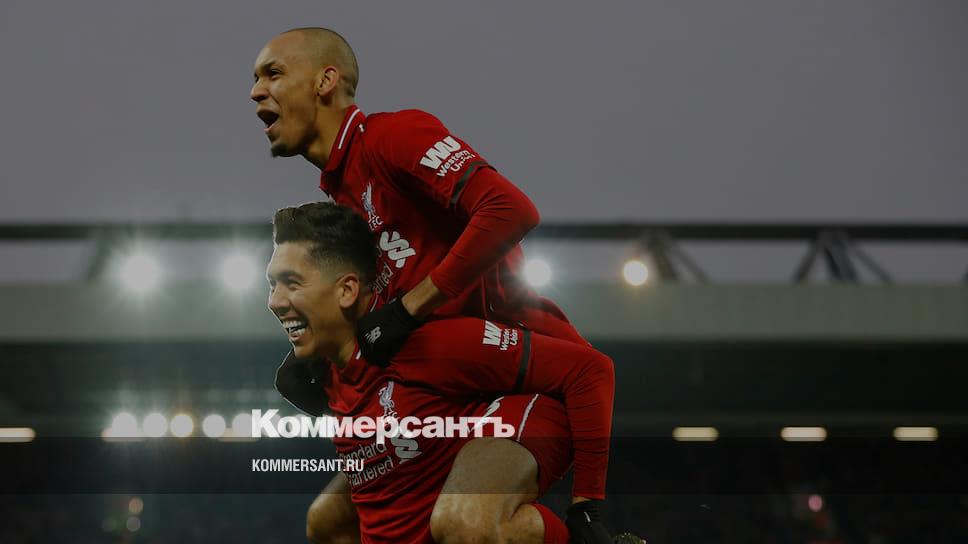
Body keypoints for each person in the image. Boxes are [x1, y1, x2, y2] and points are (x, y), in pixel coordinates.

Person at [249, 28, 616, 542]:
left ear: (325, 81)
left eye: (273, 73)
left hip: (520, 380)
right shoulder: (343, 194)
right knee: (329, 523)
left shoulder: (393, 136)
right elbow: (379, 314)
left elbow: (510, 209)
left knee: (464, 523)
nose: (256, 92)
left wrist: (407, 311)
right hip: (442, 390)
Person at [267, 202, 636, 543]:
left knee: (464, 522)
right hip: (436, 455)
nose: (275, 301)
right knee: (325, 521)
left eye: (291, 283)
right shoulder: (327, 373)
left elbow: (590, 369)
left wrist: (586, 509)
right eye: (273, 284)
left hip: (526, 413)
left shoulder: (428, 345)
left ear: (347, 290)